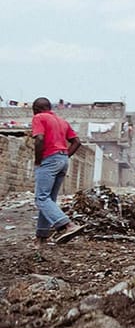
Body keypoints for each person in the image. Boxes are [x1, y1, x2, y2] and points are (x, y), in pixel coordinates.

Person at [30, 97, 84, 245]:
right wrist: (65, 156)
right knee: (48, 200)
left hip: (49, 159)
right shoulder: (62, 121)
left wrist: (38, 160)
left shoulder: (39, 117)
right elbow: (77, 142)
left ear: (36, 108)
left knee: (41, 198)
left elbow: (39, 139)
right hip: (62, 160)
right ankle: (42, 237)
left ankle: (68, 225)